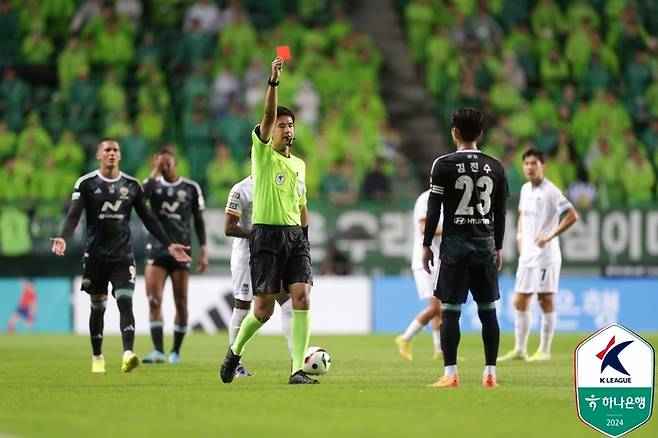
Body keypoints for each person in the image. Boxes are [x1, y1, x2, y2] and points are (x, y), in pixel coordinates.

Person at [50, 140, 191, 374]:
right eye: (107, 150)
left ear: (120, 155)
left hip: (122, 255)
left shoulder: (132, 185)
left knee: (125, 301)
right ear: (99, 155)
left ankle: (128, 353)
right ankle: (97, 357)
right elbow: (74, 214)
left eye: (115, 150)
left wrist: (169, 245)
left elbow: (148, 218)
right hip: (95, 255)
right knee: (98, 307)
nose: (112, 153)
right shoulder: (86, 183)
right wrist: (64, 237)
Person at [220, 56, 315, 385]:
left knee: (302, 297)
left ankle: (297, 370)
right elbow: (266, 114)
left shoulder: (300, 165)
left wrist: (305, 237)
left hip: (295, 238)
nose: (287, 129)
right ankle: (234, 352)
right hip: (266, 237)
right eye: (281, 125)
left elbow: (302, 205)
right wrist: (273, 81)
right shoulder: (262, 156)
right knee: (262, 311)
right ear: (269, 130)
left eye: (290, 125)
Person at [422, 108, 508, 388]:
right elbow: (501, 212)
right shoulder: (495, 166)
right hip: (484, 248)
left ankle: (451, 375)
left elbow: (434, 208)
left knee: (450, 312)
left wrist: (426, 245)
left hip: (455, 250)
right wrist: (499, 247)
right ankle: (491, 373)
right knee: (488, 313)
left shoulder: (443, 164)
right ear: (480, 133)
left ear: (454, 132)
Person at [498, 149, 578, 362]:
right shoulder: (525, 189)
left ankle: (544, 350)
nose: (529, 167)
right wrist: (520, 234)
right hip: (528, 255)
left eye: (534, 163)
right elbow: (523, 214)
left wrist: (551, 234)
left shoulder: (551, 191)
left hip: (546, 256)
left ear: (544, 165)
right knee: (519, 301)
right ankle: (520, 349)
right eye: (526, 163)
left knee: (544, 300)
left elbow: (572, 215)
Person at [141, 148, 208, 365]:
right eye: (161, 164)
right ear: (155, 162)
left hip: (182, 250)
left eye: (168, 164)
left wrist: (204, 249)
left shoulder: (190, 187)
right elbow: (141, 199)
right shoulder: (152, 184)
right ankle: (158, 350)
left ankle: (175, 352)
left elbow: (198, 220)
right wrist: (155, 171)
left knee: (181, 302)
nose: (165, 167)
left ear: (176, 163)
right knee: (154, 300)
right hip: (157, 249)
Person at [224, 174, 294, 377]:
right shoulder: (241, 189)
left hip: (272, 256)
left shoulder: (278, 184)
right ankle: (235, 362)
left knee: (288, 303)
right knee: (243, 306)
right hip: (246, 257)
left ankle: (297, 360)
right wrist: (259, 234)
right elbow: (228, 228)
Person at [395, 190, 443, 361]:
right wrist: (450, 231)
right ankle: (405, 338)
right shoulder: (426, 199)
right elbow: (424, 227)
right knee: (437, 307)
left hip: (440, 259)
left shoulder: (448, 197)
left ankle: (440, 350)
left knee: (440, 307)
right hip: (425, 261)